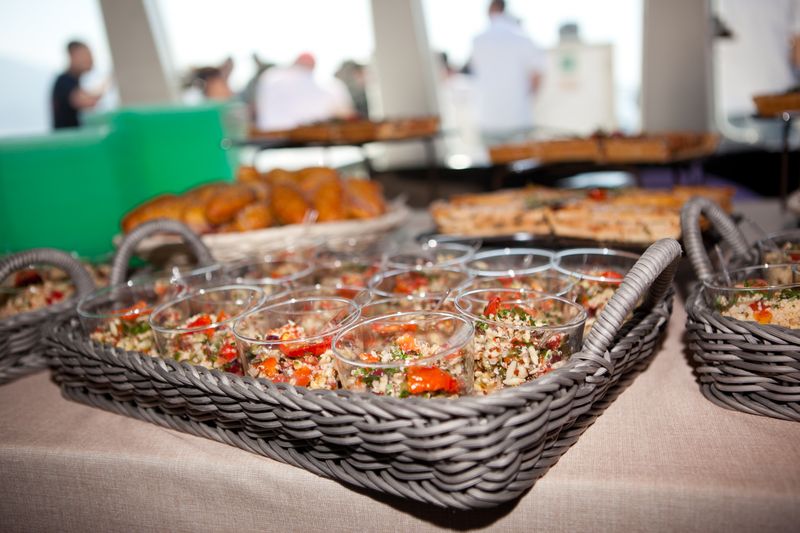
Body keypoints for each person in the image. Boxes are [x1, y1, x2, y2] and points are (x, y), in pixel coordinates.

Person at [469, 0, 546, 144]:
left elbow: (474, 72)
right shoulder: (523, 38)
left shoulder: (477, 40)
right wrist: (527, 100)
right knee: (523, 163)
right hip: (518, 116)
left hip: (488, 117)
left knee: (494, 164)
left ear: (491, 9)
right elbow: (537, 75)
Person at [255, 53, 353, 131]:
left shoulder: (270, 77)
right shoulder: (330, 86)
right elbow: (345, 113)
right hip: (313, 141)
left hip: (270, 141)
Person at [51, 40, 102, 129]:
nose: (91, 60)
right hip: (66, 139)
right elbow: (86, 101)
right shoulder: (64, 81)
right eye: (85, 55)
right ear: (72, 56)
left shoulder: (75, 82)